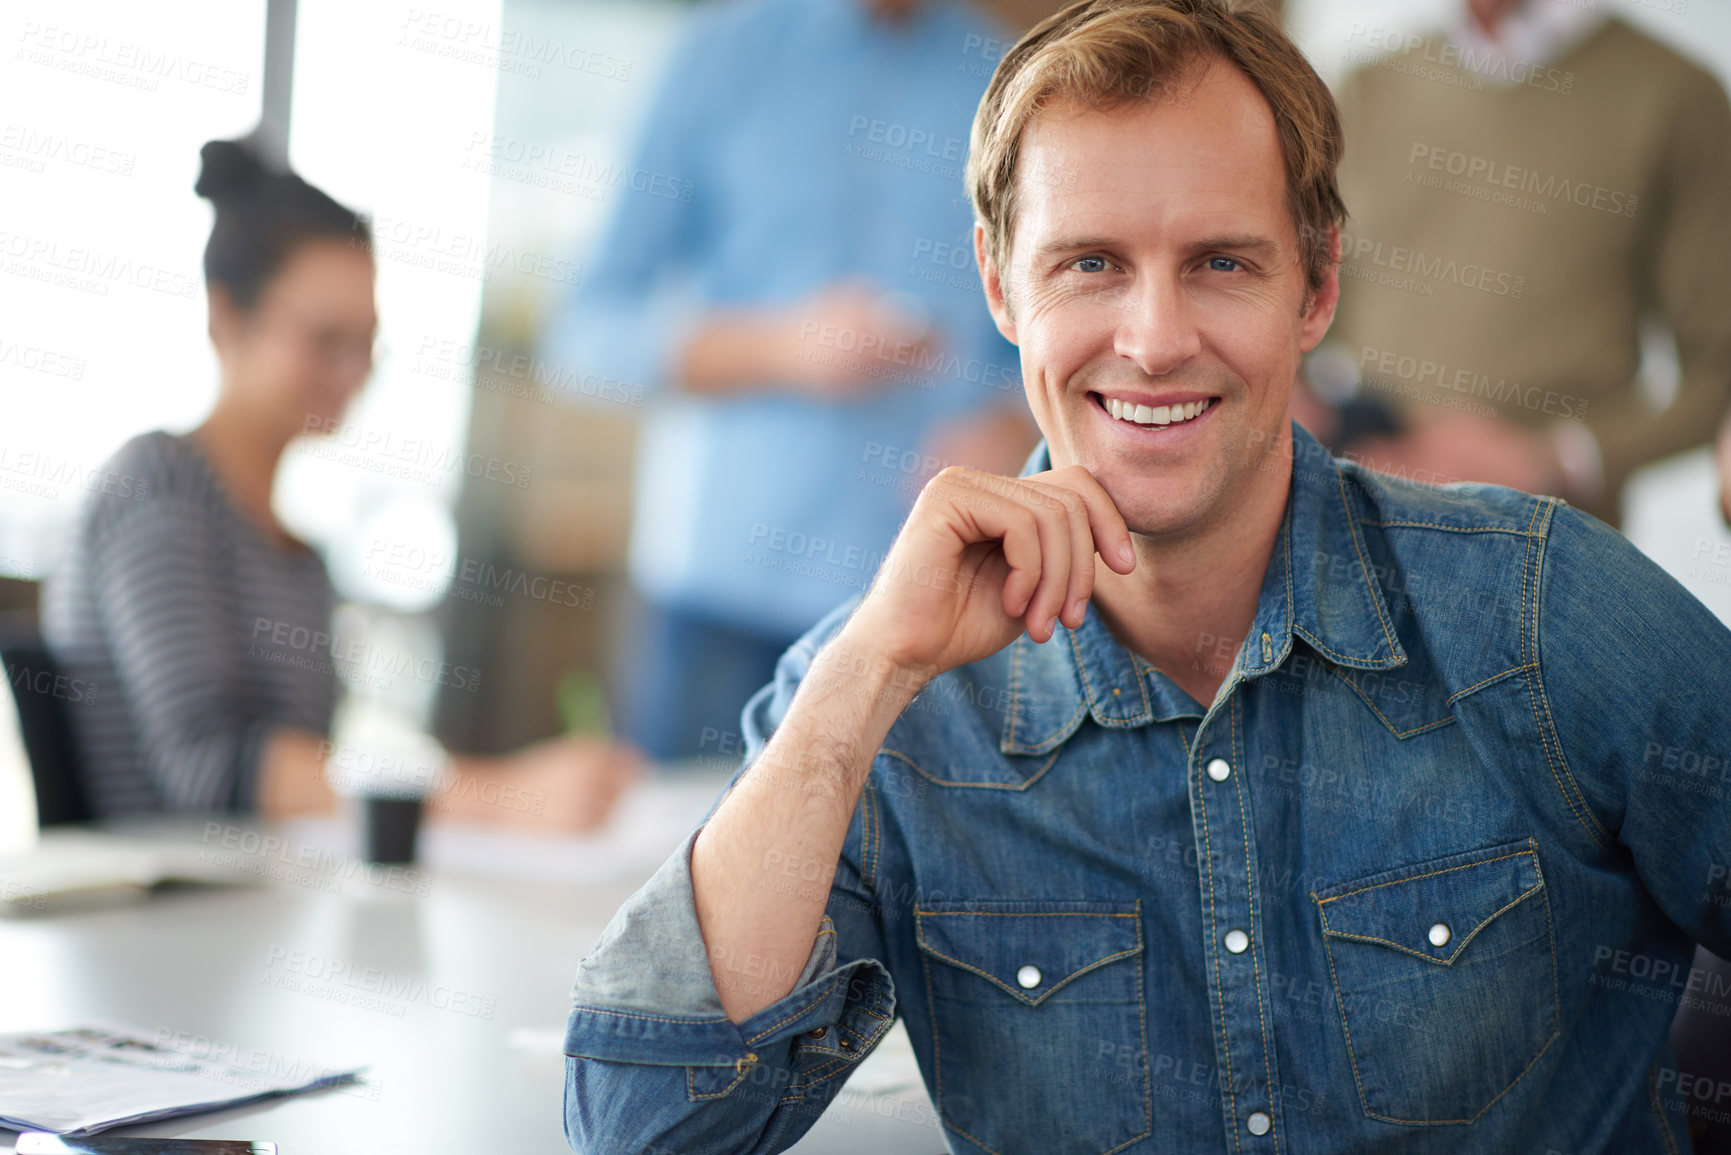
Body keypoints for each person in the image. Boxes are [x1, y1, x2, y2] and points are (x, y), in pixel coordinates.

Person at [557, 1, 1731, 1151]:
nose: (1156, 337)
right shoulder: (892, 697)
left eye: (1221, 262)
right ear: (1001, 287)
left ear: (1315, 288)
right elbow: (644, 1128)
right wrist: (866, 674)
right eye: (1090, 264)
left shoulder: (1539, 611)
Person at [42, 137, 641, 829]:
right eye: (326, 339)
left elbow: (312, 772)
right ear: (226, 320)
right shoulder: (155, 487)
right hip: (165, 912)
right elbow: (209, 769)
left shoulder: (294, 549)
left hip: (264, 902)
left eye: (367, 342)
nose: (354, 371)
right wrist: (497, 796)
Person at [537, 0, 1048, 762]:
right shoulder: (713, 62)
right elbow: (587, 333)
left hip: (939, 604)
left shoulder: (1005, 77)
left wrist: (1011, 422)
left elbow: (1040, 323)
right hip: (723, 604)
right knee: (697, 865)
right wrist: (782, 346)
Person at [1310, 0, 1731, 528]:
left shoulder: (1674, 96)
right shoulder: (1368, 88)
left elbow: (1719, 369)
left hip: (1548, 554)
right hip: (1357, 525)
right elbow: (1301, 314)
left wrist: (1553, 459)